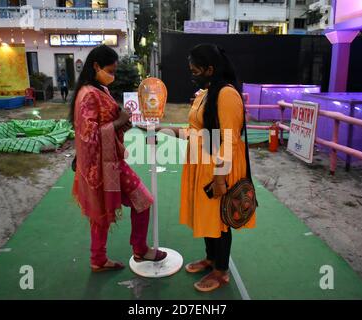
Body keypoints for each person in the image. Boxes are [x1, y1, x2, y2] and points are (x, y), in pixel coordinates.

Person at [141, 44, 256, 292]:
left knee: (220, 220)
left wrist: (219, 179)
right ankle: (211, 258)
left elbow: (229, 140)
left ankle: (221, 271)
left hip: (218, 169)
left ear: (210, 69)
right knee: (207, 216)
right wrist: (163, 130)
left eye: (195, 71)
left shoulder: (226, 95)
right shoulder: (206, 92)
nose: (192, 75)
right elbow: (195, 132)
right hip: (201, 165)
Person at [71, 45, 167, 272]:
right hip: (104, 167)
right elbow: (89, 136)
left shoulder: (98, 89)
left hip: (109, 162)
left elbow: (109, 123)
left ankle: (99, 259)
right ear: (96, 66)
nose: (112, 75)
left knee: (102, 212)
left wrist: (130, 123)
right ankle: (140, 249)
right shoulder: (88, 95)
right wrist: (119, 120)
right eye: (110, 70)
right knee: (140, 201)